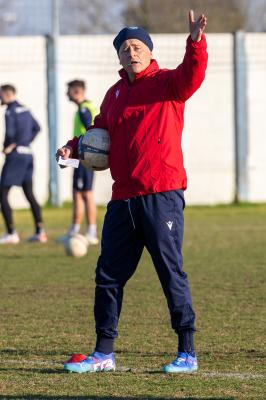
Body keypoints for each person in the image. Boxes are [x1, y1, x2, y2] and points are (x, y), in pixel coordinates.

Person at [57, 10, 208, 373]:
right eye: (125, 48)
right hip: (122, 199)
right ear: (119, 56)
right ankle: (104, 352)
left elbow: (193, 74)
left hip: (162, 194)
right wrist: (72, 148)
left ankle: (187, 352)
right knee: (108, 274)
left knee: (170, 272)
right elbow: (98, 133)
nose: (132, 52)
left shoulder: (168, 83)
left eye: (138, 46)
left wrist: (196, 43)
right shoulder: (114, 94)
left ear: (149, 51)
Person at [0, 84, 47, 243]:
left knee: (2, 193)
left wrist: (10, 145)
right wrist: (25, 142)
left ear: (7, 94)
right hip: (28, 154)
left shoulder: (9, 111)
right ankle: (40, 231)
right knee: (29, 193)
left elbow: (11, 132)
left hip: (15, 156)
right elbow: (37, 128)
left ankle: (11, 233)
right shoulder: (25, 109)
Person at [62, 79, 99, 245]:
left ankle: (91, 231)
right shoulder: (82, 108)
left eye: (68, 91)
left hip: (85, 159)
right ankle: (74, 231)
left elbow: (91, 133)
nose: (66, 94)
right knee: (77, 192)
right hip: (78, 159)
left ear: (76, 91)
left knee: (86, 193)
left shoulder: (85, 109)